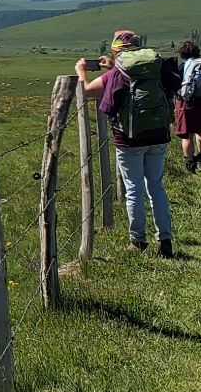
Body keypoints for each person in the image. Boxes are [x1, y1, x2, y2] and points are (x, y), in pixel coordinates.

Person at [76, 29, 180, 256]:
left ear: (116, 50)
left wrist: (81, 71)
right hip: (158, 134)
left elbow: (86, 91)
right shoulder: (156, 67)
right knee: (156, 187)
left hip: (129, 139)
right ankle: (165, 240)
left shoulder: (116, 74)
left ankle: (138, 240)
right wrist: (113, 66)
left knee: (133, 189)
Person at [174, 40, 201, 174]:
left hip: (186, 103)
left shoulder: (182, 67)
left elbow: (175, 85)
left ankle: (190, 163)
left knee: (187, 135)